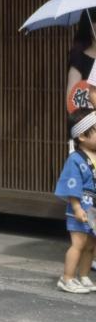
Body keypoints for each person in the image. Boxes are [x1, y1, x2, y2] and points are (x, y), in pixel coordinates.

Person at [55, 109, 96, 294]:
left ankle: (84, 275)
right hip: (80, 206)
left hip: (93, 208)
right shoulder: (75, 159)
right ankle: (67, 278)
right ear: (81, 136)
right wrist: (77, 207)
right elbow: (73, 186)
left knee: (90, 245)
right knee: (78, 244)